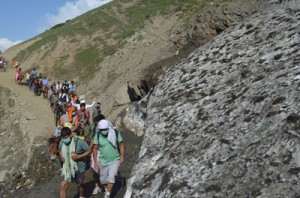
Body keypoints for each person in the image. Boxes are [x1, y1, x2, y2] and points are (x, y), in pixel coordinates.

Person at [93, 119, 125, 198]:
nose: (103, 131)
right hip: (102, 161)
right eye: (101, 130)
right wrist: (96, 162)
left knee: (111, 177)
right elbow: (94, 148)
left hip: (114, 159)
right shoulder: (97, 135)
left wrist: (122, 157)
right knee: (103, 180)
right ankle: (107, 190)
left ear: (108, 128)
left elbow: (121, 144)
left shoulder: (114, 133)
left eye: (104, 130)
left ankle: (107, 194)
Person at [59, 127, 91, 198]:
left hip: (79, 168)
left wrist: (79, 156)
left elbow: (89, 150)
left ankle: (81, 196)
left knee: (79, 184)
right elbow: (60, 150)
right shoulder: (61, 142)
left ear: (71, 134)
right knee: (63, 185)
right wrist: (61, 156)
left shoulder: (79, 142)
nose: (65, 140)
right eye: (63, 138)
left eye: (66, 137)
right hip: (67, 168)